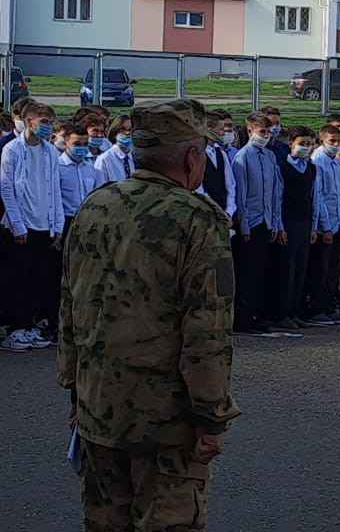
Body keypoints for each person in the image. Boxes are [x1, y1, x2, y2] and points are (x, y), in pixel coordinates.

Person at [58, 98, 239, 531]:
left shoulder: (95, 206)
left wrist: (75, 392)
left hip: (99, 406)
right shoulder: (197, 219)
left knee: (105, 521)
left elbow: (70, 306)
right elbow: (207, 330)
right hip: (165, 420)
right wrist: (211, 416)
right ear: (192, 157)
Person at [0, 101, 64, 351]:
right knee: (19, 279)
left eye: (50, 122)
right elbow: (7, 188)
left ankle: (30, 326)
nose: (48, 127)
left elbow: (54, 189)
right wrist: (17, 225)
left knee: (39, 278)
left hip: (44, 224)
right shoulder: (12, 150)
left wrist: (57, 225)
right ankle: (15, 329)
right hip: (21, 226)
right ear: (29, 121)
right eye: (43, 122)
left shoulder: (50, 152)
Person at [230, 113, 283, 334]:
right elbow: (240, 194)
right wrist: (243, 225)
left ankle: (255, 313)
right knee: (246, 273)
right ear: (250, 131)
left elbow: (274, 192)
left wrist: (274, 223)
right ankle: (242, 318)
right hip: (250, 223)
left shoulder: (269, 156)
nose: (266, 136)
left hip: (265, 221)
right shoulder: (242, 157)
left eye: (268, 132)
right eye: (262, 132)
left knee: (260, 272)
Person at [306, 125, 340, 325]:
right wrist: (325, 227)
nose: (335, 145)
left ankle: (329, 306)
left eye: (338, 141)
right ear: (322, 141)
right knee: (321, 270)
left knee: (334, 270)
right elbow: (319, 197)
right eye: (331, 141)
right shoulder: (317, 163)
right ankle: (317, 308)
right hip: (325, 226)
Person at [273, 126, 321, 330]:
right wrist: (279, 226)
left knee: (301, 269)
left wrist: (314, 226)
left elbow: (314, 197)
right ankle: (281, 313)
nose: (306, 148)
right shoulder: (282, 168)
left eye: (309, 144)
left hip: (305, 222)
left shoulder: (311, 168)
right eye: (302, 144)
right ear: (291, 143)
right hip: (288, 222)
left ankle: (295, 311)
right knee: (287, 270)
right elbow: (277, 198)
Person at [93, 115, 135, 187]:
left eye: (130, 130)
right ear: (115, 133)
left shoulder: (135, 158)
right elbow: (99, 188)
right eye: (122, 129)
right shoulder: (104, 160)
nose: (127, 133)